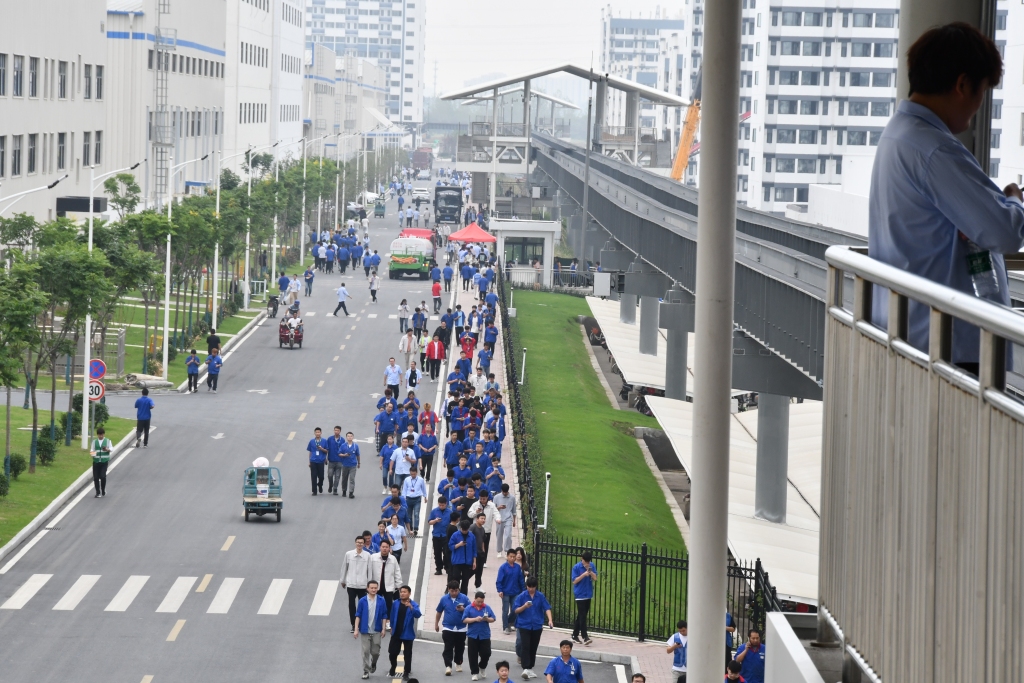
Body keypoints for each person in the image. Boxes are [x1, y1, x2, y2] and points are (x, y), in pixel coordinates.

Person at [869, 22, 1024, 371]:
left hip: (913, 331)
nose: (979, 106)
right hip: (946, 344)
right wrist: (1014, 201)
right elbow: (1004, 233)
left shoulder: (898, 134)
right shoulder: (934, 149)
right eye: (983, 91)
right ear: (963, 85)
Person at [513, 577, 553, 679]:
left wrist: (550, 620)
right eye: (529, 587)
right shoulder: (522, 596)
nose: (531, 589)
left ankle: (530, 667)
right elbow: (516, 610)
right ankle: (525, 667)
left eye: (533, 587)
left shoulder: (540, 596)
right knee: (525, 646)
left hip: (537, 625)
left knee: (533, 647)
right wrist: (524, 606)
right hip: (524, 625)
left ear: (536, 586)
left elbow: (547, 608)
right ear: (526, 586)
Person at [354, 580, 389, 679]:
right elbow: (358, 615)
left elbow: (384, 615)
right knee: (365, 651)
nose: (373, 590)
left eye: (375, 588)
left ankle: (374, 663)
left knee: (375, 652)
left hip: (377, 630)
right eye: (372, 588)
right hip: (365, 630)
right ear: (367, 589)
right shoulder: (362, 601)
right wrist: (356, 629)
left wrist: (383, 629)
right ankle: (366, 670)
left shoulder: (381, 600)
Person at [435, 580, 471, 675]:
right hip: (448, 627)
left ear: (459, 589)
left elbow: (471, 611)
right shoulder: (444, 599)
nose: (454, 593)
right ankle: (448, 666)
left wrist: (463, 609)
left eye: (456, 591)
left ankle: (458, 663)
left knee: (460, 647)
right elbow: (439, 612)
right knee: (448, 647)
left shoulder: (464, 598)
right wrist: (436, 624)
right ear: (448, 590)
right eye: (452, 591)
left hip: (461, 628)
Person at [387, 585, 422, 679]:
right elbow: (392, 615)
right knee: (392, 652)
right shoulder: (396, 603)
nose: (402, 594)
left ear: (409, 593)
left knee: (407, 654)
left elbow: (418, 614)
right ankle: (393, 666)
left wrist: (411, 607)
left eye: (404, 592)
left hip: (407, 633)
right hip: (396, 632)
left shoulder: (413, 604)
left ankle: (406, 672)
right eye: (401, 592)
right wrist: (391, 626)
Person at [341, 536, 372, 632]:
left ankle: (362, 623)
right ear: (355, 543)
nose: (359, 544)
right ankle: (354, 624)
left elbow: (370, 570)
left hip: (363, 585)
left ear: (364, 544)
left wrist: (369, 584)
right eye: (358, 542)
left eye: (361, 543)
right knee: (351, 605)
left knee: (363, 605)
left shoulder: (367, 555)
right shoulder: (349, 554)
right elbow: (344, 567)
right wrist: (343, 580)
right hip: (351, 584)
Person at [465, 591, 496, 680]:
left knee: (487, 653)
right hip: (472, 634)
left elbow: (493, 618)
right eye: (478, 601)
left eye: (481, 602)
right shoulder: (469, 608)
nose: (480, 603)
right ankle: (474, 672)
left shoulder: (487, 607)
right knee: (472, 655)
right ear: (474, 599)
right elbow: (464, 619)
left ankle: (482, 666)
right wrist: (475, 619)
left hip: (484, 634)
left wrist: (487, 619)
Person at [496, 549, 525, 634]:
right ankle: (505, 627)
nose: (512, 558)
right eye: (510, 556)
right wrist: (500, 590)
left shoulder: (517, 567)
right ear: (507, 556)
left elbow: (521, 580)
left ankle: (509, 621)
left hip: (515, 592)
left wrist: (523, 590)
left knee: (515, 609)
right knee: (505, 610)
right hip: (505, 592)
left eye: (513, 557)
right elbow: (499, 580)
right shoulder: (503, 567)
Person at [570, 551, 597, 646]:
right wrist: (583, 575)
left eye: (589, 561)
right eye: (586, 561)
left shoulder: (592, 565)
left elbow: (595, 578)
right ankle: (585, 637)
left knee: (582, 615)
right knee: (582, 616)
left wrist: (590, 572)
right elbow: (574, 581)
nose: (587, 563)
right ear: (582, 559)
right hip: (580, 594)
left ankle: (574, 635)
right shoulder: (576, 567)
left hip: (588, 594)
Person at [369, 539, 403, 612]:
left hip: (389, 586)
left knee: (389, 605)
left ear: (389, 548)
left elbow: (397, 572)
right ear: (380, 547)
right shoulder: (373, 557)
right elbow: (369, 571)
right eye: (383, 547)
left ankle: (388, 618)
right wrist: (368, 584)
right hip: (376, 587)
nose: (384, 548)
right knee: (376, 605)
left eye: (386, 547)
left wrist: (399, 585)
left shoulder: (393, 559)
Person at [449, 519, 478, 595]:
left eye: (466, 530)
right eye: (463, 530)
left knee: (465, 580)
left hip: (468, 561)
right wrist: (459, 544)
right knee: (456, 578)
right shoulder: (455, 535)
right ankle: (455, 593)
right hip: (457, 561)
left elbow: (474, 549)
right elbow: (450, 546)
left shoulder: (472, 536)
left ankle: (464, 595)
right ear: (461, 528)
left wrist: (474, 562)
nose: (464, 531)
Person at [429, 496, 453, 575]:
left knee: (446, 553)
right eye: (440, 505)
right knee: (437, 553)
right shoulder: (434, 511)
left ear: (446, 504)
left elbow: (453, 522)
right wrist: (435, 520)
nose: (441, 506)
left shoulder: (450, 512)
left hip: (446, 535)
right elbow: (429, 522)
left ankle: (447, 567)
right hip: (436, 535)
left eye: (443, 505)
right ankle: (439, 568)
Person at [402, 467, 428, 535]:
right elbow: (404, 490)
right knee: (409, 515)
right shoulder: (407, 480)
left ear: (416, 473)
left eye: (414, 474)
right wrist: (403, 498)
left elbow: (423, 488)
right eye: (411, 474)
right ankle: (410, 528)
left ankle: (416, 529)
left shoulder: (420, 480)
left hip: (417, 499)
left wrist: (425, 496)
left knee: (416, 514)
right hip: (408, 499)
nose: (413, 475)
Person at [90, 426, 112, 498]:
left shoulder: (108, 441)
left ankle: (103, 489)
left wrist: (107, 449)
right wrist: (93, 454)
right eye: (99, 435)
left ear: (104, 434)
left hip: (104, 462)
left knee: (102, 476)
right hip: (96, 462)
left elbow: (111, 449)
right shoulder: (94, 442)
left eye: (102, 435)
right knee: (96, 477)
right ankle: (97, 492)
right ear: (97, 435)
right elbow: (92, 450)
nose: (101, 436)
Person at [306, 427, 328, 494]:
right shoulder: (311, 441)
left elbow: (326, 451)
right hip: (313, 460)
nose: (317, 433)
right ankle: (314, 491)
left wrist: (321, 449)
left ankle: (320, 485)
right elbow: (310, 451)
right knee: (313, 476)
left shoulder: (324, 441)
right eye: (316, 432)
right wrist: (309, 461)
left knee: (321, 476)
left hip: (321, 461)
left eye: (319, 432)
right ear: (314, 433)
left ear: (321, 433)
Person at [340, 430, 361, 498]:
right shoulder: (343, 445)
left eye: (351, 436)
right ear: (346, 437)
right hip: (345, 465)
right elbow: (339, 453)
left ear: (353, 437)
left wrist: (359, 463)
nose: (349, 437)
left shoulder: (355, 446)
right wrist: (344, 455)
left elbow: (358, 455)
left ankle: (351, 492)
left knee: (352, 479)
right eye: (348, 436)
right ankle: (344, 490)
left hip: (353, 465)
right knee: (344, 479)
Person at [327, 425, 346, 495]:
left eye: (337, 430)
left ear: (340, 431)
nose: (336, 432)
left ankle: (335, 489)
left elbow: (344, 450)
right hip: (331, 460)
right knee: (330, 475)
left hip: (339, 461)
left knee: (337, 476)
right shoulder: (330, 439)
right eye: (335, 430)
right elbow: (327, 449)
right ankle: (330, 484)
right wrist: (325, 458)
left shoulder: (342, 440)